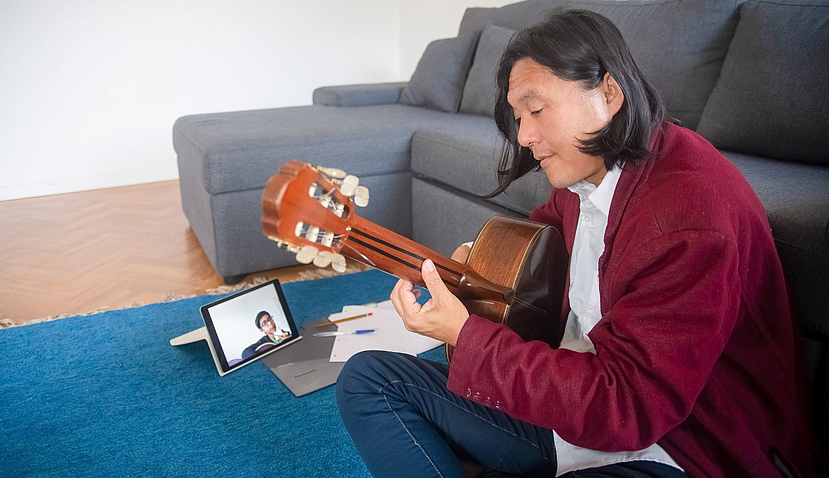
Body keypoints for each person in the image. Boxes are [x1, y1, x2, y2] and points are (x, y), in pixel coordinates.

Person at [335, 8, 816, 478]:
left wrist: (467, 337)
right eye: (518, 116)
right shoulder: (588, 172)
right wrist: (476, 267)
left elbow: (627, 409)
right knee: (368, 381)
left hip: (678, 446)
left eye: (537, 109)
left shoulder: (688, 215)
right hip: (570, 407)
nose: (524, 135)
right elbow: (543, 237)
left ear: (608, 93)